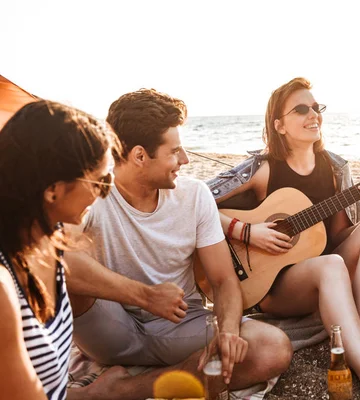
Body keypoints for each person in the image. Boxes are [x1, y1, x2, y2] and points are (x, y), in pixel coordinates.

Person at [64, 89, 292, 400]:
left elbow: (224, 280)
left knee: (272, 348)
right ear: (140, 156)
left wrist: (228, 331)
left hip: (180, 327)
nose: (184, 160)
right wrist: (145, 296)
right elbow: (57, 261)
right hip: (109, 330)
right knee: (60, 266)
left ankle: (119, 390)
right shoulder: (92, 192)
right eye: (174, 152)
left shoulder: (195, 196)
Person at [207, 77, 360, 399]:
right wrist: (246, 231)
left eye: (316, 107)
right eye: (301, 109)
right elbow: (193, 203)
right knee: (330, 266)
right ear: (279, 125)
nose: (314, 115)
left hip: (323, 272)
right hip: (269, 286)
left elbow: (335, 238)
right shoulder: (263, 169)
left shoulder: (335, 169)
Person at [0, 100, 118, 400]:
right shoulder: (3, 287)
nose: (106, 191)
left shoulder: (49, 237)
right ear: (52, 190)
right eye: (100, 181)